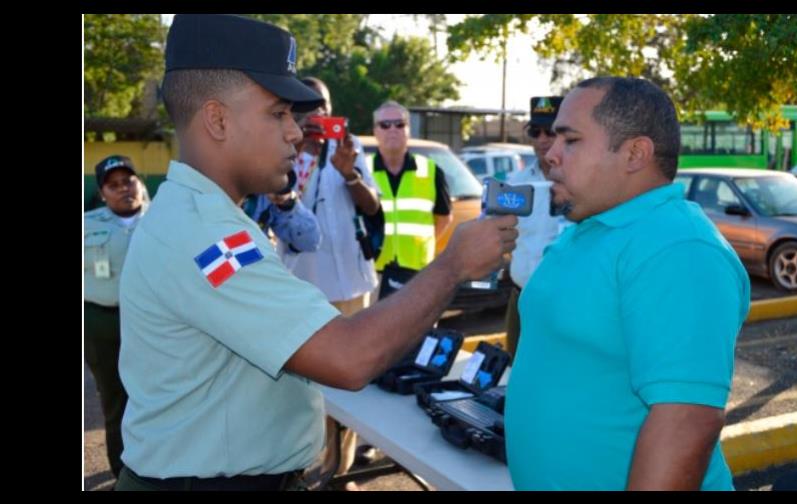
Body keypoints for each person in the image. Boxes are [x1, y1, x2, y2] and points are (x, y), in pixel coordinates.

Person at [114, 14, 516, 491]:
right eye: (278, 113)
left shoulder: (202, 216)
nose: (295, 133)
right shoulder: (206, 236)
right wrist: (453, 265)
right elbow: (347, 357)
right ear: (217, 119)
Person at [505, 76, 750, 490]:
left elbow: (687, 420)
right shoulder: (590, 227)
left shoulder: (677, 247)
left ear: (635, 153)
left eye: (571, 140)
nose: (550, 154)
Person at [277, 76, 381, 485]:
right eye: (307, 107)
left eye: (322, 105)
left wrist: (349, 172)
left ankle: (341, 470)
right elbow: (280, 205)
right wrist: (300, 152)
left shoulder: (348, 148)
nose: (316, 114)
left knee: (351, 377)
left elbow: (372, 206)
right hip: (304, 285)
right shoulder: (285, 148)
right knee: (311, 384)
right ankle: (311, 462)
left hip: (352, 282)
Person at [84, 154, 149, 480]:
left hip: (153, 324)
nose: (124, 189)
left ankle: (158, 469)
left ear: (139, 183)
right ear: (102, 192)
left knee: (156, 396)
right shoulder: (87, 224)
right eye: (114, 185)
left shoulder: (162, 220)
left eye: (129, 181)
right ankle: (123, 474)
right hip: (102, 323)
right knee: (115, 400)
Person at [503, 96, 569, 362]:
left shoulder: (580, 183)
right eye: (535, 131)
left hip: (561, 305)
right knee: (512, 371)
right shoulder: (516, 183)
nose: (543, 139)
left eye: (550, 131)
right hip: (519, 298)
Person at [367, 100, 453, 299]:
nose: (393, 130)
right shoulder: (363, 171)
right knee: (375, 330)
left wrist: (420, 245)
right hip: (372, 274)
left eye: (400, 124)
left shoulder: (431, 171)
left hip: (418, 272)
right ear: (375, 131)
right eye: (385, 125)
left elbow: (444, 218)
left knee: (418, 330)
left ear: (408, 130)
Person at [241, 172, 322, 253]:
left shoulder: (266, 196)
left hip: (248, 255)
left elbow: (311, 242)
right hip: (233, 249)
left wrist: (287, 204)